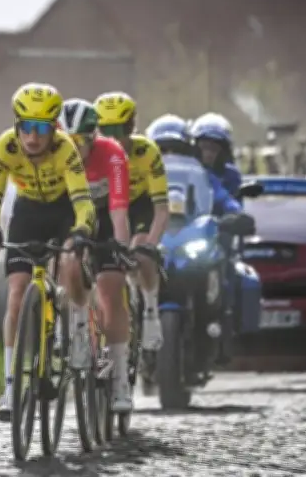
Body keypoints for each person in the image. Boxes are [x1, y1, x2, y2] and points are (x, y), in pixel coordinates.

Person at [0, 83, 96, 421]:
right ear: (17, 124)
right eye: (27, 127)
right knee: (16, 292)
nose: (33, 137)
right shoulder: (5, 146)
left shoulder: (66, 150)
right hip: (27, 213)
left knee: (70, 263)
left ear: (54, 129)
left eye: (42, 129)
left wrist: (81, 230)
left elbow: (83, 202)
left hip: (63, 212)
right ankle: (10, 386)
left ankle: (74, 330)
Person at [58, 98, 133, 411]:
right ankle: (76, 327)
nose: (73, 149)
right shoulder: (55, 155)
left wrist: (121, 248)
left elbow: (119, 211)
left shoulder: (112, 154)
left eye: (80, 142)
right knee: (67, 261)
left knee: (110, 290)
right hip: (71, 217)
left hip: (105, 217)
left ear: (92, 137)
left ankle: (120, 380)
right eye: (67, 142)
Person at [94, 92, 170, 357]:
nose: (115, 139)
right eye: (107, 131)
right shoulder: (91, 152)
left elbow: (161, 208)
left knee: (141, 252)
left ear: (132, 127)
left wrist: (152, 244)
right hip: (106, 207)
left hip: (139, 205)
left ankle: (150, 309)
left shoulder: (147, 151)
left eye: (121, 130)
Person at [147, 114, 241, 216]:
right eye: (162, 150)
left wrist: (235, 213)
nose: (170, 156)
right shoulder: (140, 175)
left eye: (177, 150)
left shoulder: (201, 175)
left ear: (188, 151)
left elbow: (223, 198)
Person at [190, 113, 242, 198]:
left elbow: (235, 203)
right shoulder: (186, 172)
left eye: (214, 148)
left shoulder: (231, 175)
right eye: (204, 147)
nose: (208, 153)